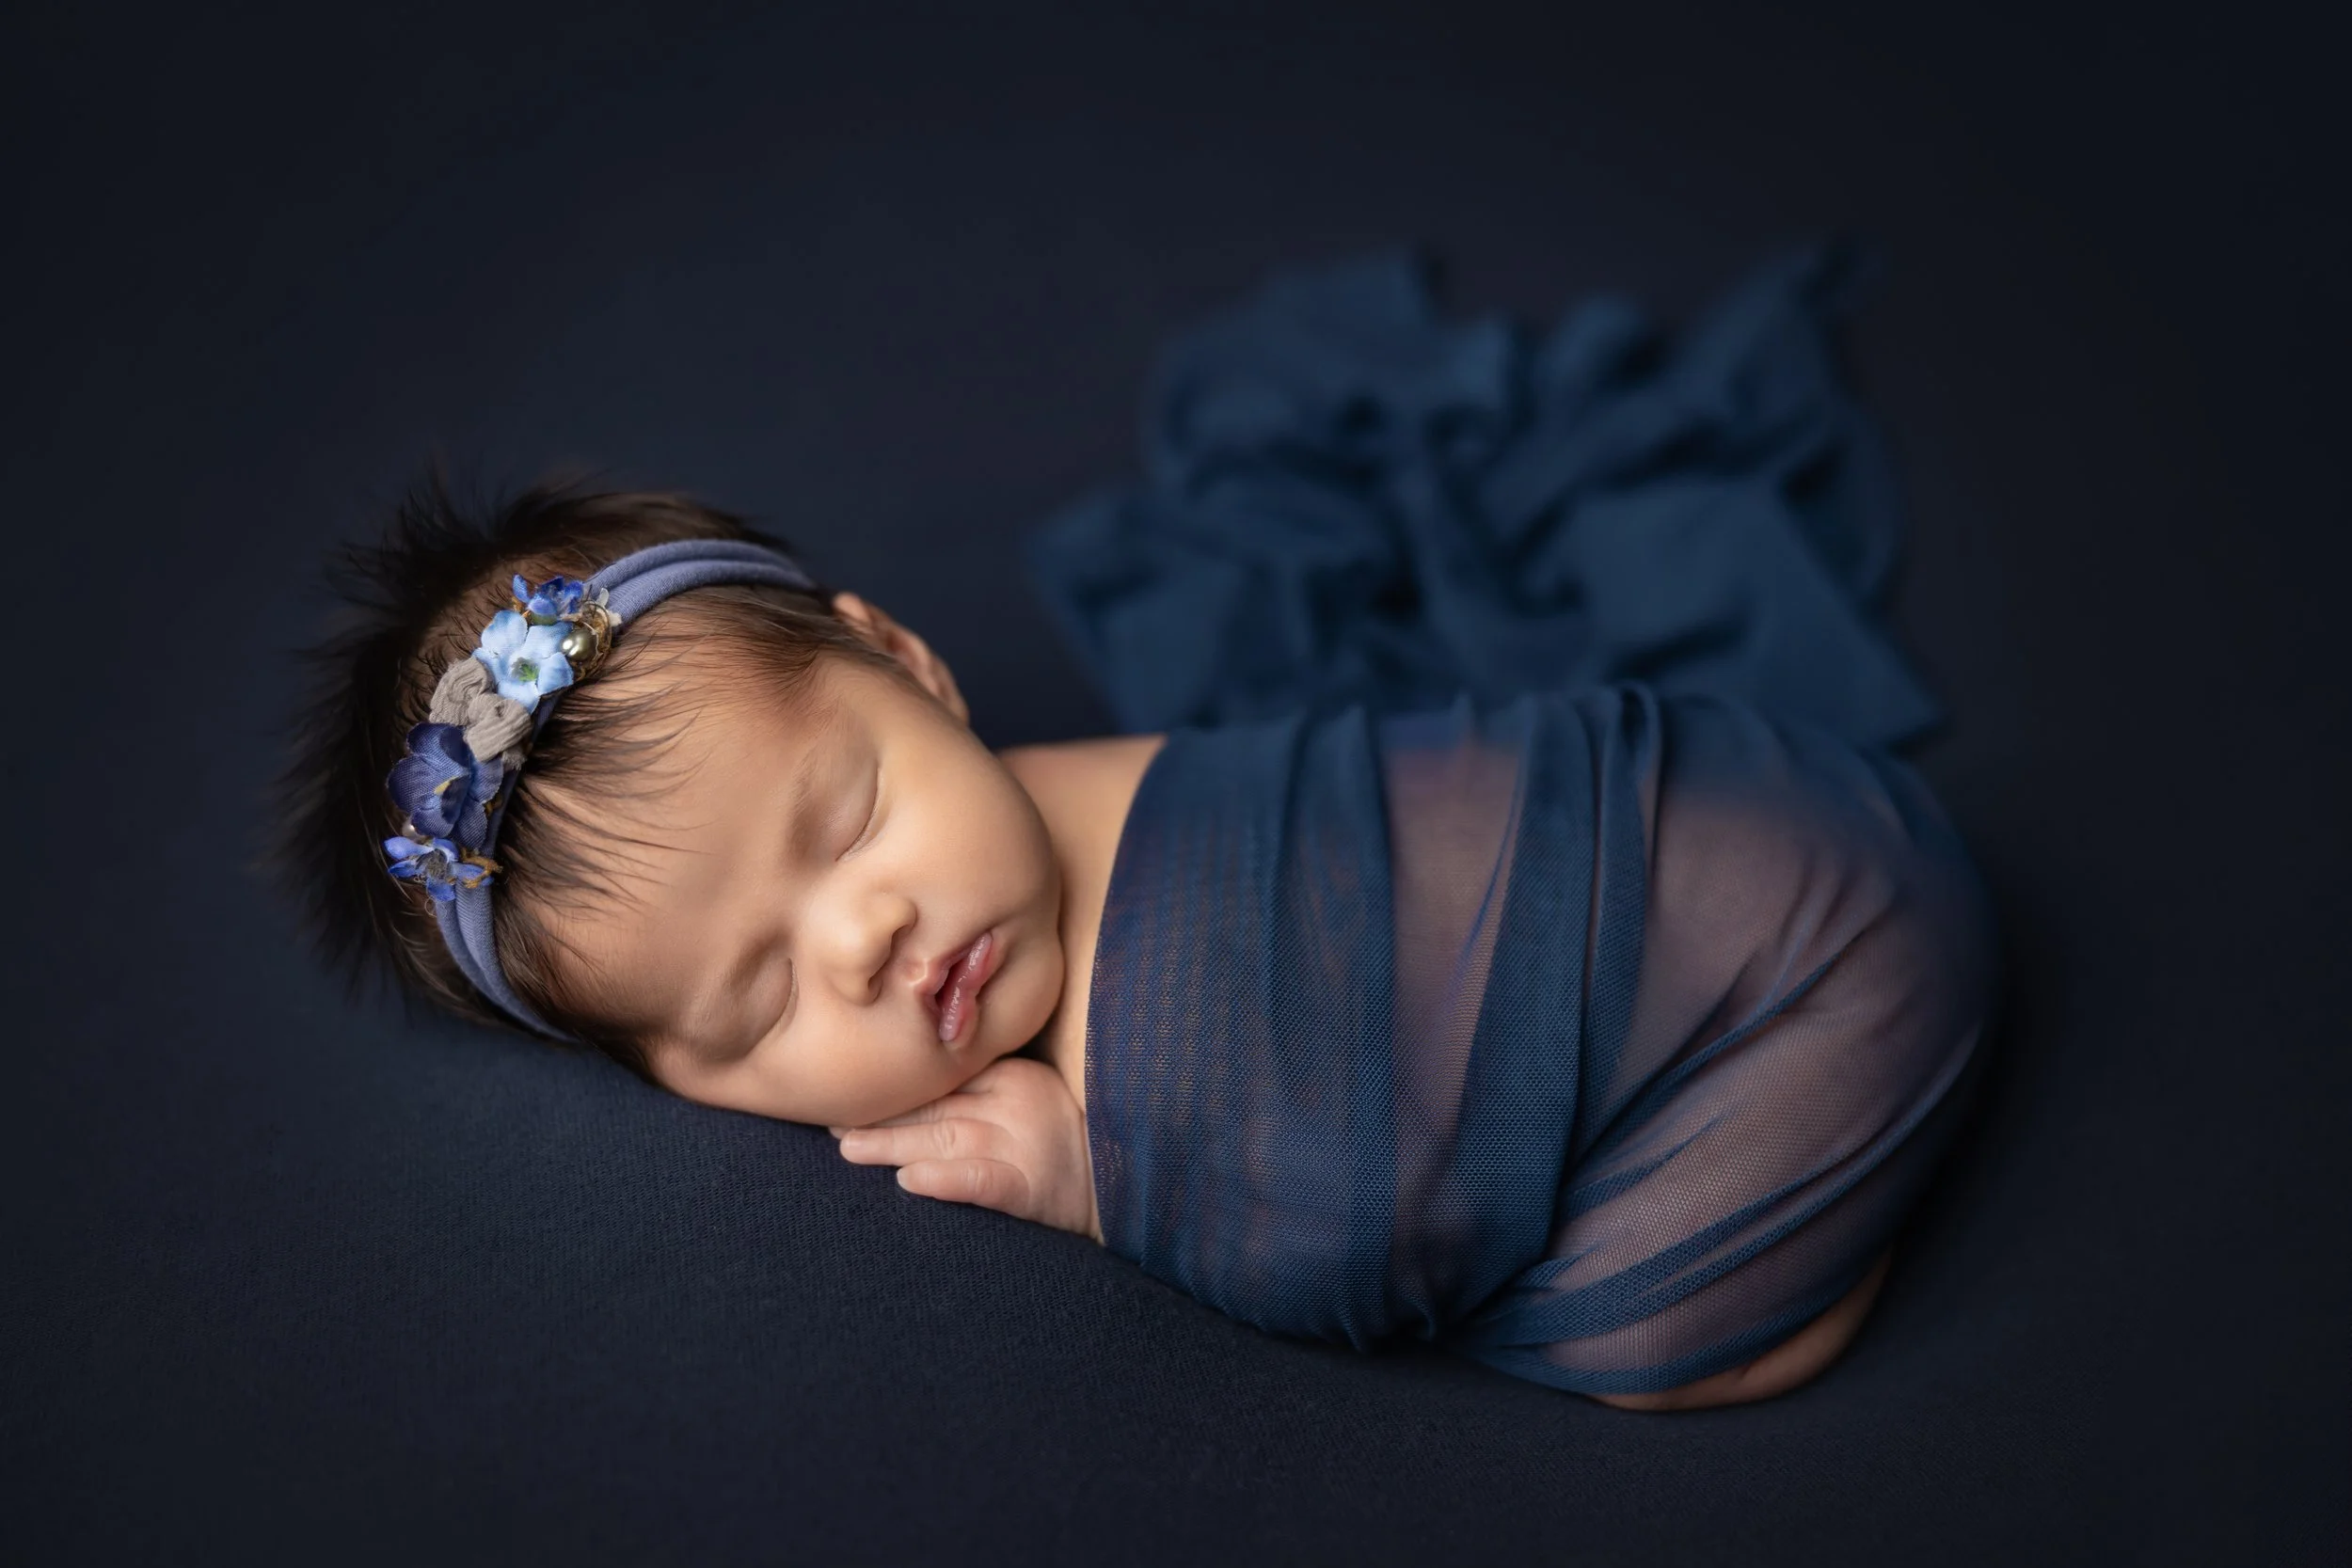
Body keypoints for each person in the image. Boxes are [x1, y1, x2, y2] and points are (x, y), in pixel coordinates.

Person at [275, 475, 1993, 1413]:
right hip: (1808, 813)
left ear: (907, 661)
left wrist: (1108, 1189)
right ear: (672, 1079)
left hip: (1809, 974)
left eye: (850, 817)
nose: (868, 938)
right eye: (758, 996)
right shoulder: (1042, 791)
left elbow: (1374, 1234)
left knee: (1654, 1352)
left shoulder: (1149, 1069)